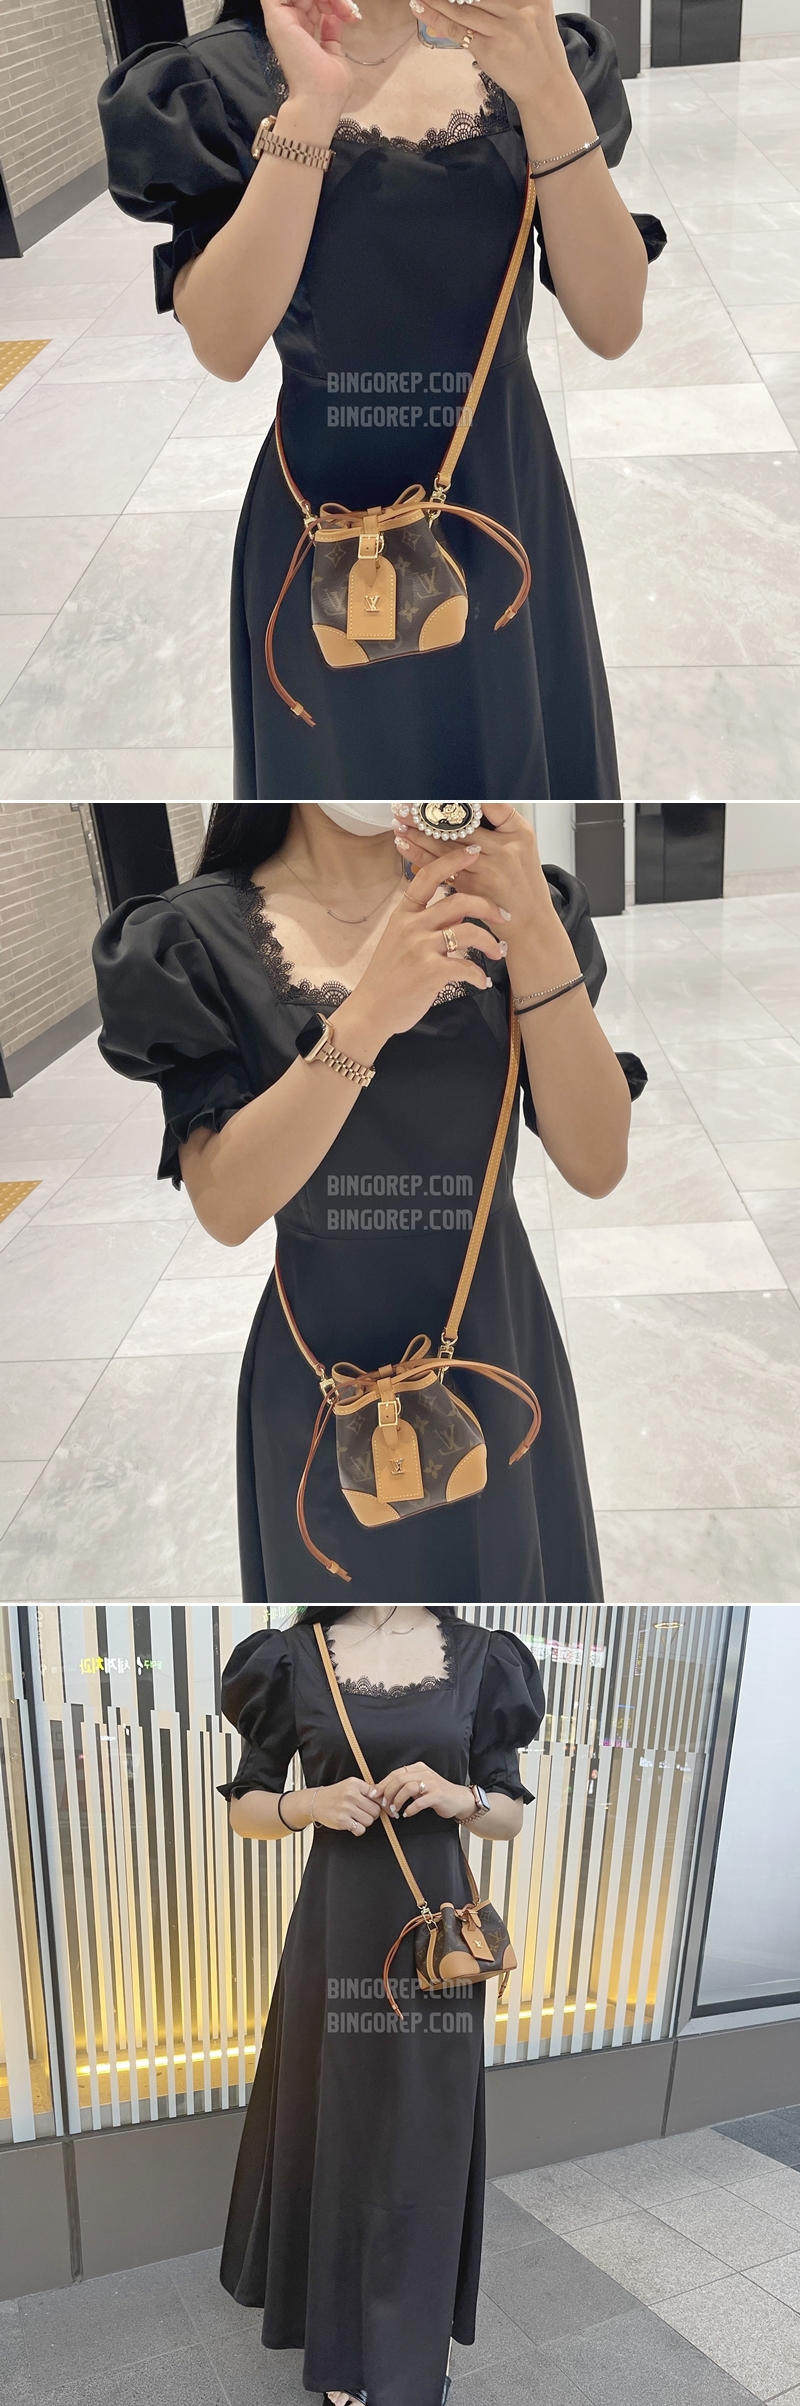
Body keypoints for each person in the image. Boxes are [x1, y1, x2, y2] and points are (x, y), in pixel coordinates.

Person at [97, 0, 666, 800]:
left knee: (515, 761)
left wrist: (546, 92)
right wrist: (312, 108)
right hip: (330, 525)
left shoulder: (536, 50)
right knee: (352, 777)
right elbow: (223, 344)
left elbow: (612, 323)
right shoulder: (214, 82)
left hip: (507, 498)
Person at [92, 801, 646, 1603]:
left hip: (498, 1341)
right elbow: (226, 1206)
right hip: (326, 1376)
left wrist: (530, 926)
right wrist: (368, 1015)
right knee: (347, 1625)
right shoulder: (191, 937)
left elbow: (597, 1162)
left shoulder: (512, 900)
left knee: (509, 1594)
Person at [217, 1603, 547, 2406]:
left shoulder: (483, 1657)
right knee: (338, 2126)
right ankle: (341, 2356)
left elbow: (507, 1814)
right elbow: (247, 1809)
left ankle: (408, 2351)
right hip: (338, 1931)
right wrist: (307, 1805)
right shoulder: (291, 1657)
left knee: (424, 2135)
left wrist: (459, 1796)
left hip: (436, 1942)